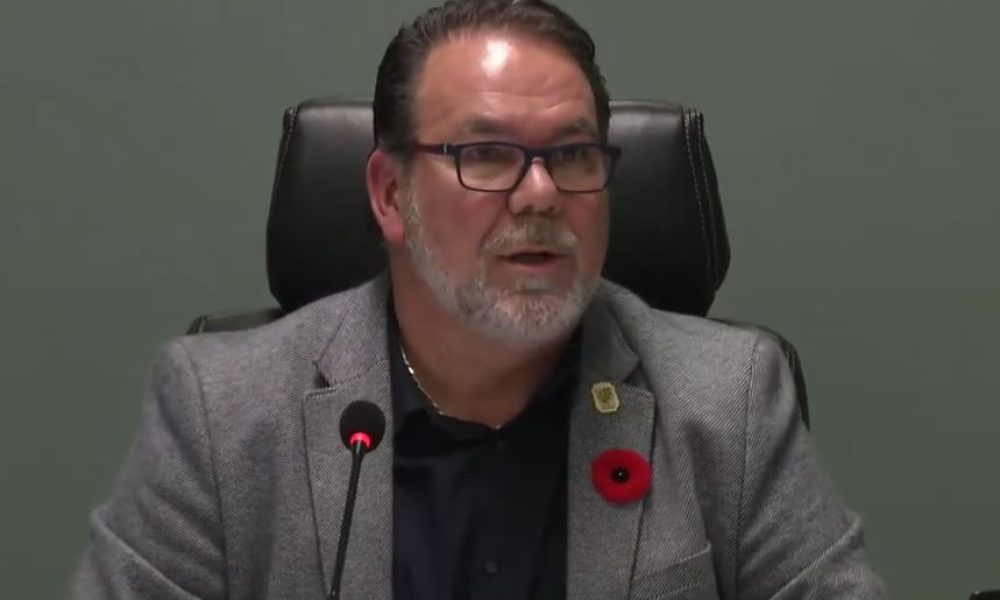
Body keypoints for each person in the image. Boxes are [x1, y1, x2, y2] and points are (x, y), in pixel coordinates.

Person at [70, 1, 888, 598]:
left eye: (572, 155)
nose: (541, 194)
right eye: (488, 155)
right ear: (390, 194)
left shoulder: (727, 400)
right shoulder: (220, 412)